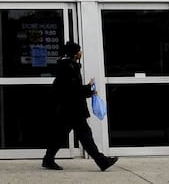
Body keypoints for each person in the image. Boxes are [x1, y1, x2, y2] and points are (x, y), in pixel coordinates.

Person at [41, 41, 118, 171]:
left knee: (62, 135)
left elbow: (71, 88)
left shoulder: (68, 66)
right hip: (72, 109)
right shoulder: (68, 67)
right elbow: (72, 89)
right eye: (79, 50)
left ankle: (48, 159)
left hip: (69, 108)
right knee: (85, 135)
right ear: (74, 53)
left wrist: (88, 90)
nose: (81, 52)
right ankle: (102, 161)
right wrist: (89, 88)